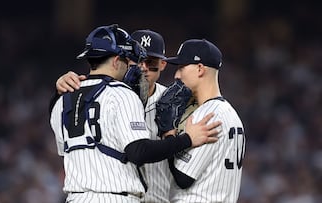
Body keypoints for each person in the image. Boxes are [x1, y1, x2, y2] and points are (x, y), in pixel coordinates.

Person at [49, 24, 221, 203]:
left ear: (163, 64)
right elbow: (138, 151)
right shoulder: (117, 95)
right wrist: (183, 139)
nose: (143, 68)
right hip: (120, 196)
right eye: (137, 61)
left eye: (151, 62)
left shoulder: (180, 104)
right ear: (121, 60)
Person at [164, 39, 246, 203]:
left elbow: (183, 177)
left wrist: (169, 136)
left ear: (200, 68)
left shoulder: (208, 114)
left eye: (182, 67)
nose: (176, 75)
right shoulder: (230, 114)